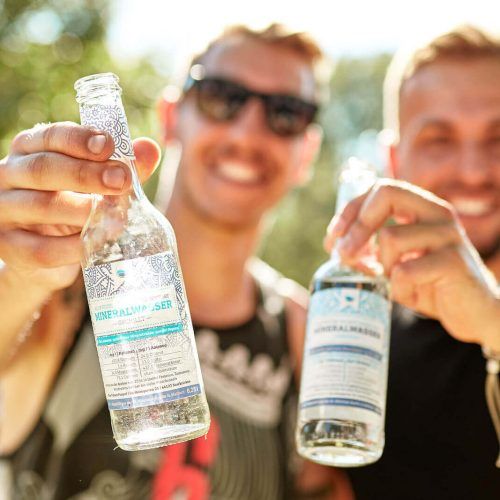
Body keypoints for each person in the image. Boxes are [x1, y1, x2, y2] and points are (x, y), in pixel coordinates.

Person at [0, 24, 353, 499]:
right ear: (171, 116)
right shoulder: (63, 283)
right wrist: (22, 274)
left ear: (307, 151)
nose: (248, 131)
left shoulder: (305, 333)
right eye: (222, 97)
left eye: (285, 113)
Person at [325, 25, 500, 499]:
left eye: (498, 137)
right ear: (394, 160)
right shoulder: (351, 344)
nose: (473, 172)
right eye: (439, 139)